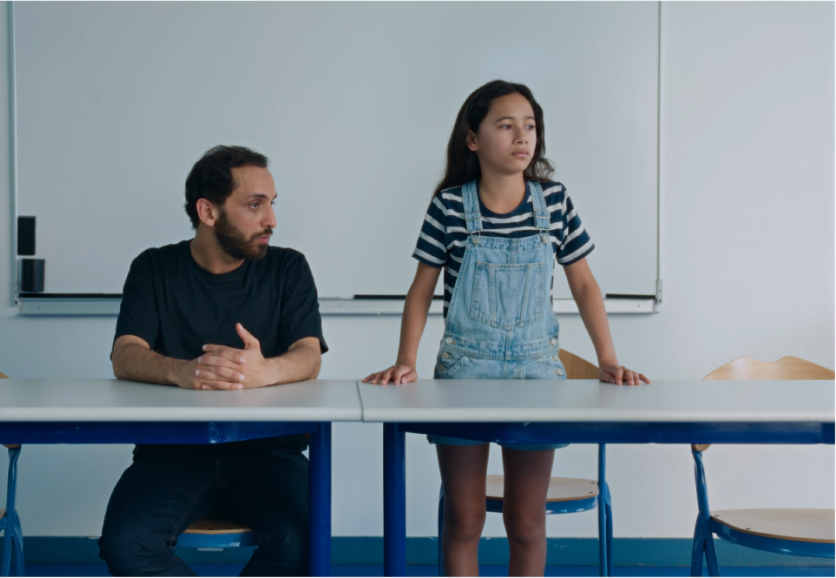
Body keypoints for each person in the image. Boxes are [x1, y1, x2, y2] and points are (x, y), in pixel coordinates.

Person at [363, 80, 650, 576]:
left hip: (538, 375)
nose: (523, 136)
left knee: (526, 521)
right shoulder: (450, 207)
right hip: (463, 376)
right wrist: (406, 362)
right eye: (506, 125)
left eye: (530, 126)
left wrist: (608, 359)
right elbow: (421, 291)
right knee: (464, 520)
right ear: (472, 139)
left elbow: (584, 285)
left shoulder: (555, 202)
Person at [98, 145, 328, 576]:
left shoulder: (288, 268)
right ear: (208, 211)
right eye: (255, 205)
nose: (271, 221)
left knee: (305, 543)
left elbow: (308, 356)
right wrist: (182, 371)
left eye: (272, 205)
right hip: (173, 451)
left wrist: (264, 372)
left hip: (268, 449)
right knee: (126, 545)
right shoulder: (153, 268)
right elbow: (125, 355)